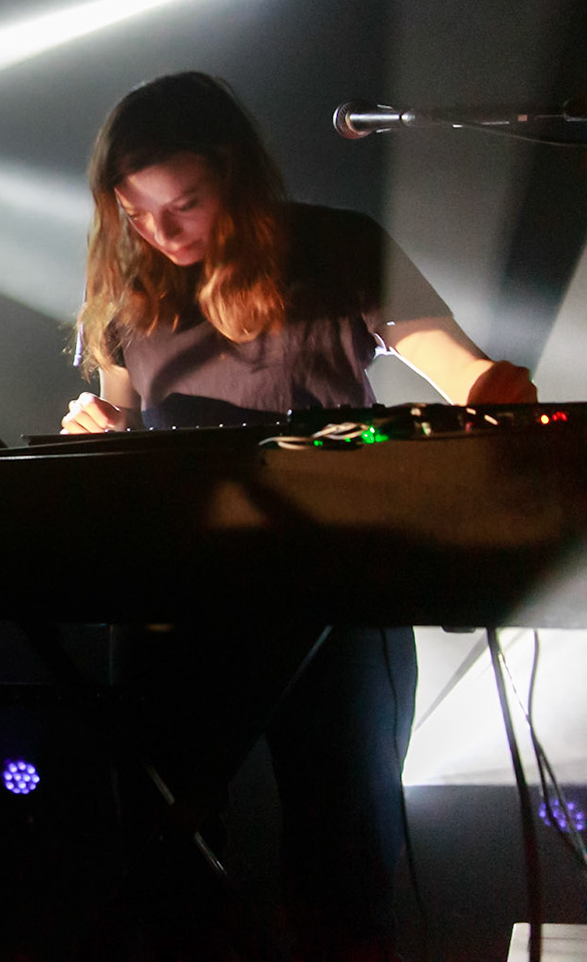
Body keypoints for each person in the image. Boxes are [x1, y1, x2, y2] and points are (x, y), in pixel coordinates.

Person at [59, 72, 534, 960]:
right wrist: (97, 426)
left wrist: (502, 400)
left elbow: (466, 376)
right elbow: (116, 415)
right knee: (168, 855)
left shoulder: (340, 248)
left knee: (344, 856)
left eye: (186, 204)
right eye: (137, 211)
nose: (161, 232)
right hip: (181, 594)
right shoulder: (134, 290)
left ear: (235, 176)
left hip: (337, 586)